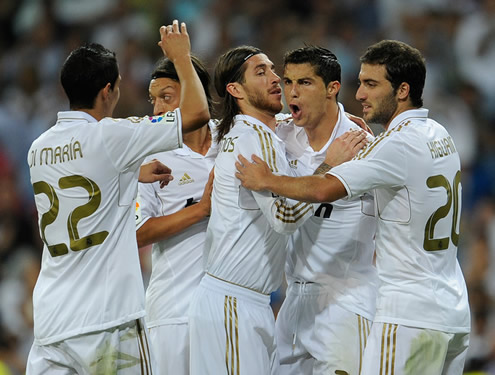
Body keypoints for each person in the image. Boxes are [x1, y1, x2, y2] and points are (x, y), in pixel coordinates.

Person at [236, 39, 471, 374]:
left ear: (402, 90)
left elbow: (322, 190)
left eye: (370, 85)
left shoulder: (372, 146)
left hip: (371, 303)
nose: (359, 94)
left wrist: (267, 179)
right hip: (304, 297)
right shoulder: (437, 134)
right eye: (287, 81)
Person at [26, 20, 210, 374]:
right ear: (108, 90)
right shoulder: (113, 137)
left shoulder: (39, 149)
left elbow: (82, 180)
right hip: (108, 321)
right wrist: (182, 57)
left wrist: (127, 172)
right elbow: (197, 114)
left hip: (52, 321)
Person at [187, 45, 318, 375]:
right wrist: (328, 171)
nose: (276, 79)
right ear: (235, 89)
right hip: (233, 302)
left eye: (273, 70)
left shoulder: (248, 132)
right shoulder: (252, 139)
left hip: (242, 301)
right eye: (261, 73)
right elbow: (284, 218)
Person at [274, 45, 377, 375]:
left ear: (333, 88)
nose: (293, 92)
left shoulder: (365, 147)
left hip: (345, 301)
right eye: (288, 82)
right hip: (294, 301)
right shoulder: (279, 135)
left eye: (305, 83)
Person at [135, 55, 217, 375]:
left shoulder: (234, 137)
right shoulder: (149, 153)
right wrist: (201, 210)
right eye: (153, 99)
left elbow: (280, 122)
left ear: (194, 93)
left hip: (227, 309)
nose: (156, 110)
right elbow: (138, 231)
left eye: (165, 98)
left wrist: (342, 116)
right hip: (173, 312)